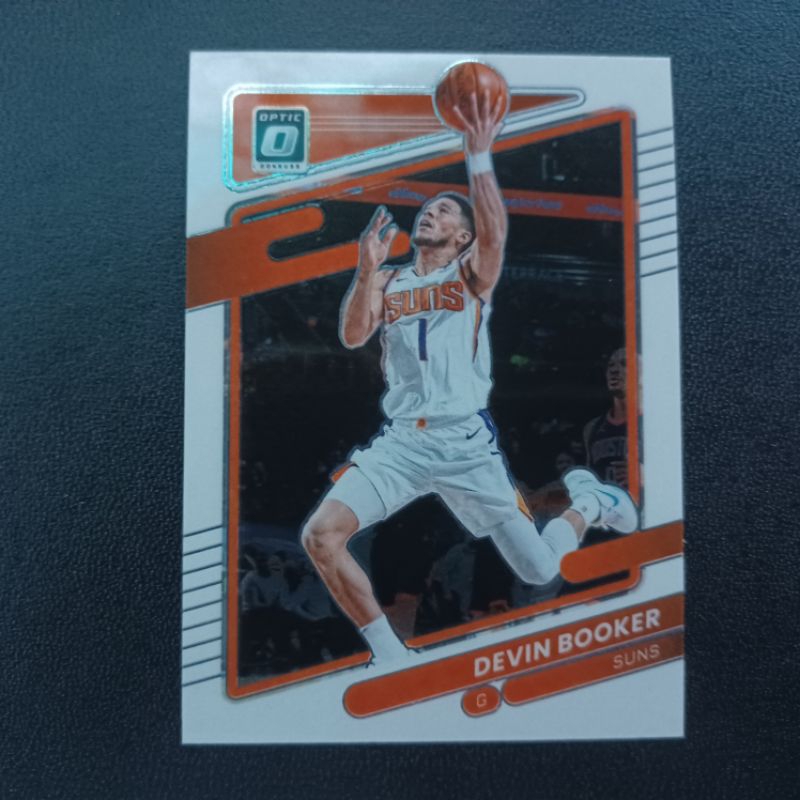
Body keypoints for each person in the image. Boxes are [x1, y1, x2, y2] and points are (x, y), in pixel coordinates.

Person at [300, 89, 637, 665]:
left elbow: (495, 233)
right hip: (402, 442)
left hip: (463, 442)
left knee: (539, 569)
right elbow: (353, 335)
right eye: (426, 209)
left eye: (444, 211)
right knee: (320, 535)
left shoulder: (471, 273)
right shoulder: (389, 281)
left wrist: (478, 154)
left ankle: (589, 503)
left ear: (462, 236)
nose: (430, 213)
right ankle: (390, 657)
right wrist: (365, 269)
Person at [584, 348, 629, 488]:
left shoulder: (653, 423)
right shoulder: (592, 428)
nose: (614, 370)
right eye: (611, 365)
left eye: (624, 364)